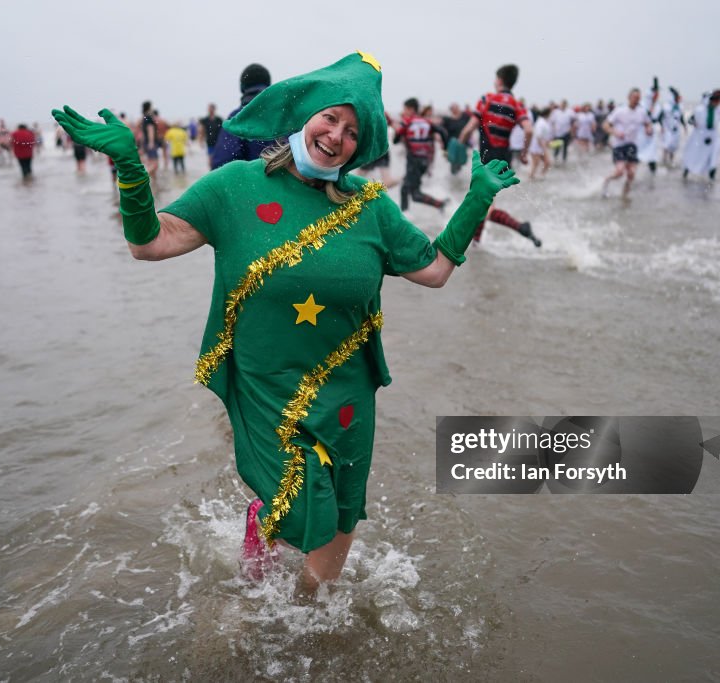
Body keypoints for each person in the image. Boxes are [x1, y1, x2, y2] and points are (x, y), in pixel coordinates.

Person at [52, 51, 519, 597]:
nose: (336, 135)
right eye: (330, 118)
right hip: (269, 385)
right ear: (306, 115)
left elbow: (436, 270)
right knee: (307, 500)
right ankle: (270, 535)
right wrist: (131, 171)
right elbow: (150, 242)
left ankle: (309, 608)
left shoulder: (371, 207)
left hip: (347, 392)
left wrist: (477, 200)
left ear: (358, 146)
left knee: (342, 510)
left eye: (352, 130)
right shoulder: (234, 188)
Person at [456, 64, 540, 247]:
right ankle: (476, 243)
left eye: (495, 79)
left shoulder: (487, 99)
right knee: (483, 203)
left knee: (482, 205)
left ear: (500, 80)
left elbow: (469, 128)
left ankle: (521, 227)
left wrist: (459, 144)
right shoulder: (517, 105)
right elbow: (529, 129)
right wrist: (524, 154)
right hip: (503, 161)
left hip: (486, 160)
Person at [210, 63, 274, 169]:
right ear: (269, 86)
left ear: (242, 87)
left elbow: (222, 165)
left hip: (252, 184)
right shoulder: (288, 117)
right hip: (288, 185)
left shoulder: (237, 118)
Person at [394, 97, 446, 212]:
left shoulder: (408, 122)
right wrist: (445, 148)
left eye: (405, 109)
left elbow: (396, 138)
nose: (404, 112)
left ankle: (441, 205)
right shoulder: (427, 122)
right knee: (406, 189)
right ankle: (404, 216)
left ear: (411, 109)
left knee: (414, 194)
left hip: (413, 162)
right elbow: (442, 132)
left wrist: (397, 138)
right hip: (424, 161)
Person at [601, 88, 653, 198]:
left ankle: (624, 196)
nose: (636, 100)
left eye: (638, 98)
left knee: (631, 174)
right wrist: (615, 132)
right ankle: (606, 181)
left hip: (632, 145)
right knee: (620, 172)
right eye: (635, 97)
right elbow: (605, 125)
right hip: (619, 145)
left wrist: (648, 129)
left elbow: (647, 123)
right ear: (629, 97)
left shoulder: (642, 112)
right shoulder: (620, 111)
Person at [682, 90, 720, 182]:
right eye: (716, 101)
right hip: (699, 136)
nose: (718, 103)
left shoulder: (718, 110)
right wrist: (695, 124)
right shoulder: (700, 110)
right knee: (694, 155)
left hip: (713, 136)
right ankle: (686, 173)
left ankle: (712, 178)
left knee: (713, 157)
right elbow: (690, 120)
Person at [660, 87, 686, 168]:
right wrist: (662, 127)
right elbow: (660, 117)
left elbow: (681, 117)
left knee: (673, 146)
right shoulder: (666, 106)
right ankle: (664, 160)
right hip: (667, 129)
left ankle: (671, 161)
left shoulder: (679, 107)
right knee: (666, 145)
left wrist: (685, 126)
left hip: (676, 129)